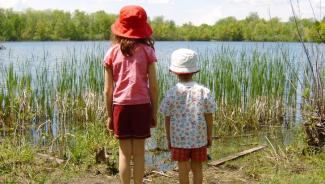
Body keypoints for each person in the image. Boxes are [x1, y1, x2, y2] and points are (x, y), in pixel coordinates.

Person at [103, 5, 158, 184]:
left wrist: (110, 115)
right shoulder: (148, 51)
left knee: (124, 154)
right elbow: (154, 87)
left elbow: (107, 90)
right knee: (140, 154)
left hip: (121, 107)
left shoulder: (111, 52)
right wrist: (154, 112)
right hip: (142, 106)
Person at [160, 48, 216, 184]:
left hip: (178, 140)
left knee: (183, 169)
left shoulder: (171, 93)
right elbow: (209, 117)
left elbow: (166, 118)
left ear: (174, 72)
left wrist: (169, 139)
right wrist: (209, 135)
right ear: (195, 71)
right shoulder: (204, 91)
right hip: (199, 138)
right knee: (198, 168)